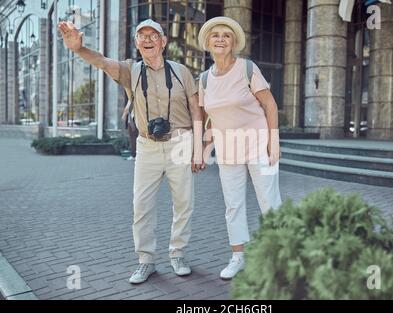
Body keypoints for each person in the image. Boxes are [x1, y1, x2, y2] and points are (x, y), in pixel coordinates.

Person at [58, 19, 205, 284]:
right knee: (141, 206)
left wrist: (198, 149)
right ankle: (146, 260)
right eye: (141, 35)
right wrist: (79, 49)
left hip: (180, 143)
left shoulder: (182, 71)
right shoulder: (130, 70)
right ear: (137, 43)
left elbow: (196, 109)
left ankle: (178, 254)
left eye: (153, 35)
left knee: (184, 204)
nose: (147, 39)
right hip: (147, 145)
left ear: (163, 41)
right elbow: (102, 61)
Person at [198, 17, 283, 280]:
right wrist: (204, 148)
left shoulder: (247, 68)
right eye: (215, 35)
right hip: (227, 150)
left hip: (259, 145)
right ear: (208, 43)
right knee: (233, 205)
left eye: (226, 35)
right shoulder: (203, 79)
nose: (220, 39)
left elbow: (270, 105)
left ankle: (281, 256)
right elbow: (209, 117)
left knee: (270, 202)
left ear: (233, 42)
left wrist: (274, 141)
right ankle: (238, 257)